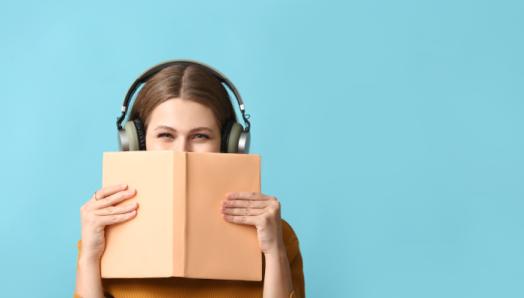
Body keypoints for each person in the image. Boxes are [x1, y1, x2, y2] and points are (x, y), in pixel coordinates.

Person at [74, 61, 305, 298]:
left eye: (200, 136)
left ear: (228, 143)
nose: (181, 150)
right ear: (137, 142)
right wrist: (89, 259)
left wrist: (275, 252)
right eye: (165, 135)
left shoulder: (276, 234)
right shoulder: (102, 233)